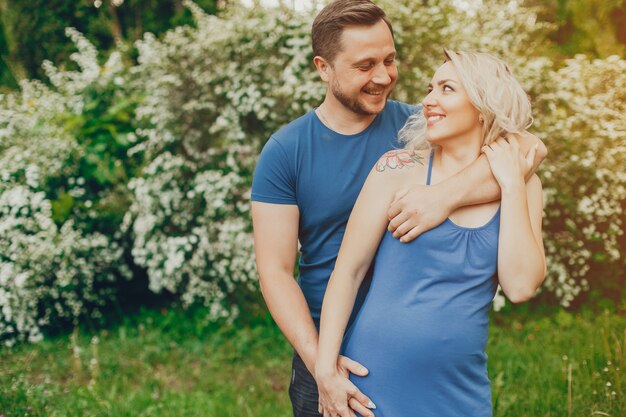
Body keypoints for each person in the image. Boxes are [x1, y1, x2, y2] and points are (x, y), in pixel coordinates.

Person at [251, 1, 547, 416]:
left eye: (390, 60)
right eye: (365, 65)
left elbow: (527, 147)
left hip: (434, 363)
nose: (383, 76)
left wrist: (443, 197)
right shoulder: (287, 150)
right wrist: (322, 364)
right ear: (324, 67)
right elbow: (275, 272)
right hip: (324, 345)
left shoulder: (419, 127)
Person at [314, 50, 547, 417]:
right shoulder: (397, 169)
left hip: (459, 392)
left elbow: (520, 286)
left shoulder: (523, 186)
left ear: (483, 105)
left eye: (447, 88)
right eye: (430, 88)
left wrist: (512, 183)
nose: (428, 100)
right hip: (372, 385)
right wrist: (324, 370)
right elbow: (348, 272)